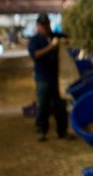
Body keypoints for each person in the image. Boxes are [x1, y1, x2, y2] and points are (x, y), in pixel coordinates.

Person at [27, 13, 69, 142]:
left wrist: (66, 42)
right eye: (43, 25)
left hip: (58, 77)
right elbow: (35, 55)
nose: (46, 28)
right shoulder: (34, 40)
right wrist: (51, 47)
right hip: (42, 78)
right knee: (43, 105)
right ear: (38, 26)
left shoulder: (56, 36)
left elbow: (69, 40)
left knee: (60, 105)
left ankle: (62, 131)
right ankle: (42, 130)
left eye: (47, 25)